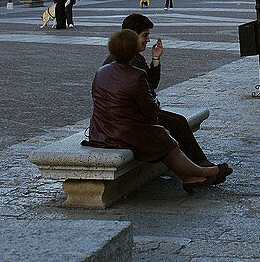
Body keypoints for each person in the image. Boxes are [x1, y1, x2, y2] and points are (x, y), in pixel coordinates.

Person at [87, 28, 228, 194]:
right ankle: (201, 173)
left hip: (101, 130)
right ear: (133, 50)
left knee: (165, 130)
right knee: (162, 135)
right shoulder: (135, 75)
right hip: (121, 133)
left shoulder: (101, 71)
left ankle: (192, 176)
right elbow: (151, 111)